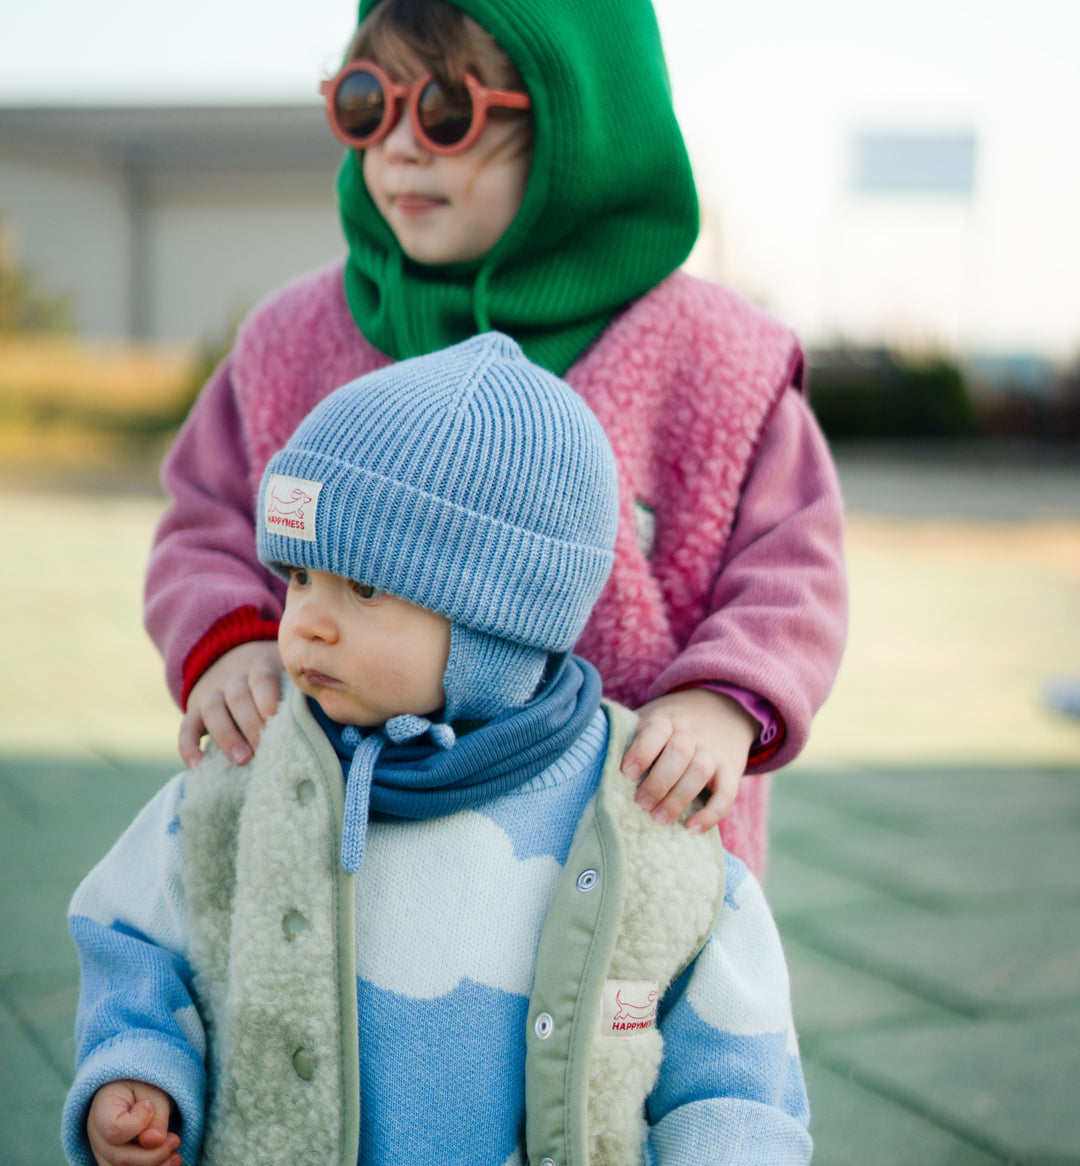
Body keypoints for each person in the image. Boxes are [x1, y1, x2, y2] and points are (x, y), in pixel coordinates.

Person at [145, 0, 847, 877]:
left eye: (445, 111)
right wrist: (229, 642)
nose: (398, 146)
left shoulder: (716, 359)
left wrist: (724, 699)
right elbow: (206, 520)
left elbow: (791, 569)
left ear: (581, 129)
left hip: (628, 852)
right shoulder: (292, 342)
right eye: (366, 104)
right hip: (352, 847)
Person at [65, 335, 812, 1166]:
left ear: (500, 619)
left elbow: (738, 1074)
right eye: (300, 577)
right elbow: (135, 939)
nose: (304, 623)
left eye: (364, 587)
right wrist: (137, 1071)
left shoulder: (644, 814)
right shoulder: (247, 774)